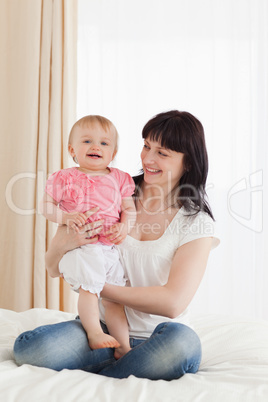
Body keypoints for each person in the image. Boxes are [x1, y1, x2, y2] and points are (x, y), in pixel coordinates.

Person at [14, 110, 219, 381]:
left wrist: (95, 285)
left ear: (189, 163)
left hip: (160, 336)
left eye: (163, 153)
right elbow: (53, 267)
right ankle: (123, 366)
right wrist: (67, 242)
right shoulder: (110, 188)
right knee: (31, 349)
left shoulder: (195, 222)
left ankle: (111, 372)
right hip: (101, 327)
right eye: (146, 146)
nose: (148, 158)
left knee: (183, 347)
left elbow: (172, 303)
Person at [40, 115, 136, 359]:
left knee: (114, 299)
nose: (96, 147)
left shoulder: (120, 178)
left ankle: (123, 346)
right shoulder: (64, 177)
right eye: (87, 141)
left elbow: (129, 210)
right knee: (90, 291)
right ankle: (94, 333)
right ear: (72, 149)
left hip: (109, 249)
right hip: (83, 247)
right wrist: (65, 218)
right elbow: (46, 206)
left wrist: (124, 226)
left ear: (113, 152)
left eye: (104, 143)